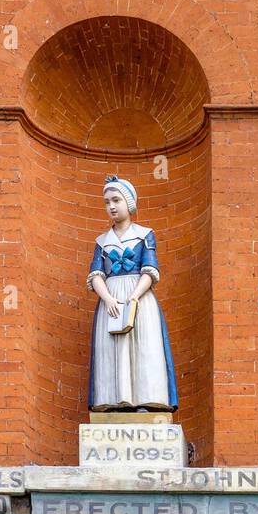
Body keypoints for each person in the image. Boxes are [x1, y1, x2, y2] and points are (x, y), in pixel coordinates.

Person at [85, 175, 178, 412]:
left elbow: (150, 269)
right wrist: (107, 298)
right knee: (112, 350)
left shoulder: (144, 234)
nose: (111, 206)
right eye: (107, 202)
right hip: (112, 299)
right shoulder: (102, 241)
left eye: (116, 200)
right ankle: (115, 400)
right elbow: (96, 274)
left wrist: (135, 296)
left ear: (129, 203)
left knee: (143, 348)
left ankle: (144, 399)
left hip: (139, 298)